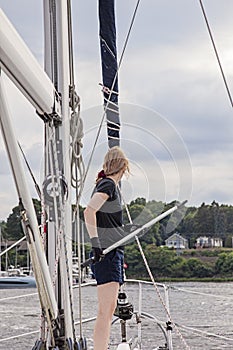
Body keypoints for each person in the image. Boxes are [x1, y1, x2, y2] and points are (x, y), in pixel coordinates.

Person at [84, 146, 130, 350]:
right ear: (124, 166)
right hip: (107, 253)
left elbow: (106, 221)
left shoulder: (107, 185)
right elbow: (89, 211)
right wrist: (96, 244)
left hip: (112, 251)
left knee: (108, 309)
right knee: (106, 311)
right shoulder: (108, 185)